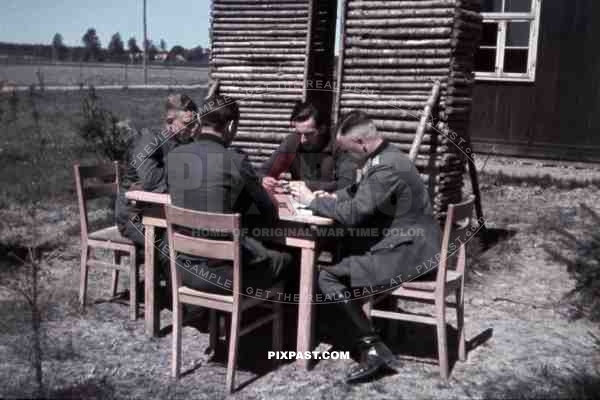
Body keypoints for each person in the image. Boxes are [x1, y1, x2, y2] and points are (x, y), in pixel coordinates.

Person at [290, 110, 442, 384]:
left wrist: (311, 200)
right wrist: (333, 195)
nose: (348, 158)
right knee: (347, 247)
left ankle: (372, 348)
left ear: (361, 143)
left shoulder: (385, 167)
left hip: (410, 254)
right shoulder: (387, 156)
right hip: (412, 244)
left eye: (349, 152)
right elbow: (359, 192)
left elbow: (355, 213)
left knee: (327, 275)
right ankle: (353, 327)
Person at [167, 94, 292, 295]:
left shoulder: (174, 156)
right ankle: (283, 322)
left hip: (182, 268)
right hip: (224, 275)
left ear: (199, 121)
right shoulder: (235, 160)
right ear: (231, 126)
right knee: (286, 260)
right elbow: (268, 216)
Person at [115, 94, 200, 247]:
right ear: (169, 121)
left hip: (166, 212)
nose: (193, 129)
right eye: (188, 123)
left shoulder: (187, 142)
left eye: (196, 123)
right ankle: (164, 270)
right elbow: (150, 181)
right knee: (173, 245)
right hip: (135, 216)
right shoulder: (150, 139)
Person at [260, 101, 348, 192]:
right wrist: (264, 180)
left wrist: (305, 185)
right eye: (299, 133)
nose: (302, 140)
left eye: (308, 134)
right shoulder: (292, 141)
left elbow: (347, 184)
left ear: (322, 129)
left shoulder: (339, 145)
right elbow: (263, 172)